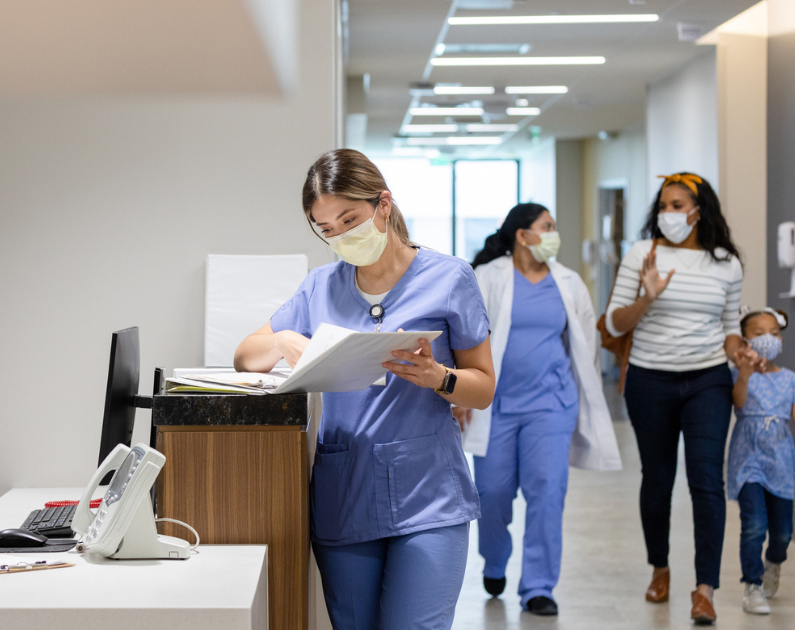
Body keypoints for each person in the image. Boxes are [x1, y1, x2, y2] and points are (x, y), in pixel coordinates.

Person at [234, 149, 496, 629]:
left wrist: (442, 378)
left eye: (348, 219)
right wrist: (280, 341)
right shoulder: (319, 288)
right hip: (345, 492)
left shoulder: (450, 278)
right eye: (326, 229)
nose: (339, 236)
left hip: (429, 494)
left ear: (384, 204)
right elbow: (244, 355)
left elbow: (482, 389)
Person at [457, 203, 621, 616]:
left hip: (551, 405)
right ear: (522, 235)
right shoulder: (487, 277)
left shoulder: (567, 282)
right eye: (546, 227)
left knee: (547, 491)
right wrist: (460, 392)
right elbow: (462, 336)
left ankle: (538, 587)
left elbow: (584, 342)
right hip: (497, 407)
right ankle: (494, 561)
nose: (553, 234)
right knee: (492, 494)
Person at [604, 172, 750, 625]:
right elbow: (613, 325)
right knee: (658, 478)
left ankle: (705, 588)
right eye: (664, 205)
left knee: (707, 482)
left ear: (698, 210)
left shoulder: (726, 262)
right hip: (650, 380)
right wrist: (648, 298)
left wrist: (740, 352)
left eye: (678, 204)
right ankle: (660, 567)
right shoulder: (640, 255)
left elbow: (729, 327)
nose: (669, 213)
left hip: (708, 380)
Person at [728, 307, 795, 615]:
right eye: (759, 334)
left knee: (783, 532)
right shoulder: (739, 373)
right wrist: (745, 373)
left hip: (780, 461)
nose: (769, 339)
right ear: (744, 341)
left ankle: (773, 562)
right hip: (748, 458)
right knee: (753, 524)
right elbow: (738, 402)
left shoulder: (790, 378)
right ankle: (752, 586)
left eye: (774, 334)